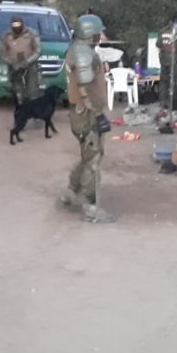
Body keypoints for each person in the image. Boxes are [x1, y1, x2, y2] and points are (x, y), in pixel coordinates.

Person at [61, 13, 116, 223]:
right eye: (97, 32)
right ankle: (91, 205)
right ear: (89, 33)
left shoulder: (78, 50)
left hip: (81, 112)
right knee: (93, 158)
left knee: (87, 154)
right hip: (87, 113)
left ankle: (71, 191)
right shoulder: (82, 54)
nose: (100, 35)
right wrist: (99, 115)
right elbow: (85, 89)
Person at [0, 15, 41, 104]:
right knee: (16, 88)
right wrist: (11, 62)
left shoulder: (32, 34)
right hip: (14, 66)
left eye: (18, 24)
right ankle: (20, 106)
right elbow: (2, 53)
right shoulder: (6, 36)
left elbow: (38, 50)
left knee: (32, 89)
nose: (17, 27)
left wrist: (28, 61)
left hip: (30, 65)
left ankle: (33, 107)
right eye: (15, 24)